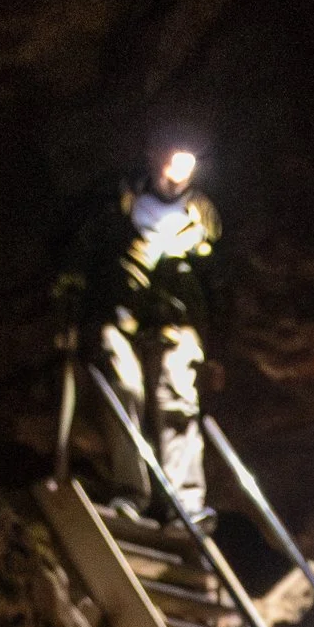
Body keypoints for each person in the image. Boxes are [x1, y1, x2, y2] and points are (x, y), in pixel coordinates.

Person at [60, 139, 223, 526]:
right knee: (124, 389)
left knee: (178, 402)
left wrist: (215, 346)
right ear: (153, 158)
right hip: (120, 316)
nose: (176, 174)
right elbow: (85, 251)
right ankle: (131, 493)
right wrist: (75, 302)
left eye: (186, 165)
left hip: (176, 322)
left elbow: (218, 282)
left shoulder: (202, 217)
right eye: (171, 162)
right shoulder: (119, 202)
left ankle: (185, 506)